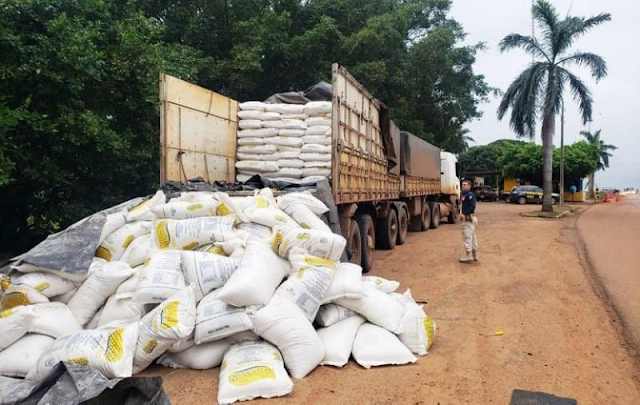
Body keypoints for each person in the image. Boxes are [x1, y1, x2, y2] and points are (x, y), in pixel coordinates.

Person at [459, 179, 478, 263]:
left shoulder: (470, 195)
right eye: (462, 184)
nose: (463, 186)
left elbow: (472, 206)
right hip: (469, 218)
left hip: (468, 218)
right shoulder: (464, 195)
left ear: (469, 186)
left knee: (467, 237)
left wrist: (464, 213)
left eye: (465, 184)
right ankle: (475, 255)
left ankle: (469, 255)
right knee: (473, 237)